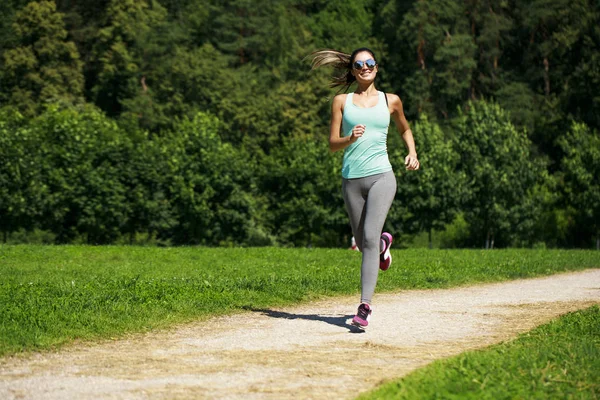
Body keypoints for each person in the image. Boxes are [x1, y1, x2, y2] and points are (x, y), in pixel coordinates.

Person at [310, 47, 420, 330]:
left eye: (369, 62)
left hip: (382, 176)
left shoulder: (391, 100)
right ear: (353, 70)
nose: (365, 67)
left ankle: (364, 306)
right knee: (363, 242)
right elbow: (333, 144)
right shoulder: (341, 102)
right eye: (359, 64)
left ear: (377, 67)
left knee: (368, 238)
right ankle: (383, 244)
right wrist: (350, 138)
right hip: (352, 181)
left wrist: (412, 152)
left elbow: (404, 128)